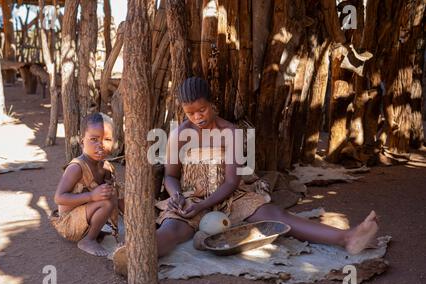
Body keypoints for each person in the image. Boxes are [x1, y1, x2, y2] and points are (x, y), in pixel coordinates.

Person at [155, 76, 379, 257]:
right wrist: (176, 196)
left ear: (211, 103)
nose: (197, 117)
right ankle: (137, 255)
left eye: (201, 110)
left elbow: (232, 181)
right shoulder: (179, 135)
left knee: (276, 216)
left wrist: (207, 204)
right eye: (190, 113)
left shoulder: (229, 132)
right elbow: (171, 176)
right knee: (172, 229)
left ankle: (348, 237)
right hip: (191, 199)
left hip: (231, 197)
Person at [52, 112, 124, 257]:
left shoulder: (107, 167)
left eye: (107, 139)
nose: (101, 145)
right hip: (69, 223)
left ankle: (108, 233)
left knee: (114, 197)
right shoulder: (76, 168)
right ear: (82, 141)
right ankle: (88, 240)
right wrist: (92, 195)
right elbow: (59, 198)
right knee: (105, 203)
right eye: (94, 139)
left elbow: (115, 199)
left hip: (86, 218)